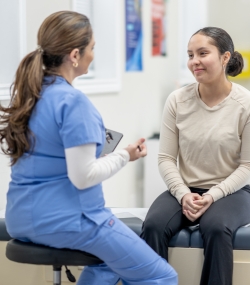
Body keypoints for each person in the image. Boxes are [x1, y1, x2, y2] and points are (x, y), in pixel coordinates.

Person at [0, 11, 177, 285]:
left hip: (20, 218)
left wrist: (119, 155)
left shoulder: (32, 95)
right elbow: (83, 177)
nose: (93, 54)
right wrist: (122, 156)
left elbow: (55, 158)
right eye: (92, 48)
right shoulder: (73, 103)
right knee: (161, 276)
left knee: (111, 264)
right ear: (74, 55)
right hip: (68, 221)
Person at [141, 27, 250, 285]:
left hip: (232, 192)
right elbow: (165, 158)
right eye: (190, 55)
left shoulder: (249, 104)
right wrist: (183, 193)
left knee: (216, 228)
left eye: (202, 53)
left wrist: (212, 195)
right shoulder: (177, 101)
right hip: (184, 190)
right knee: (152, 225)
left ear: (224, 57)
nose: (194, 61)